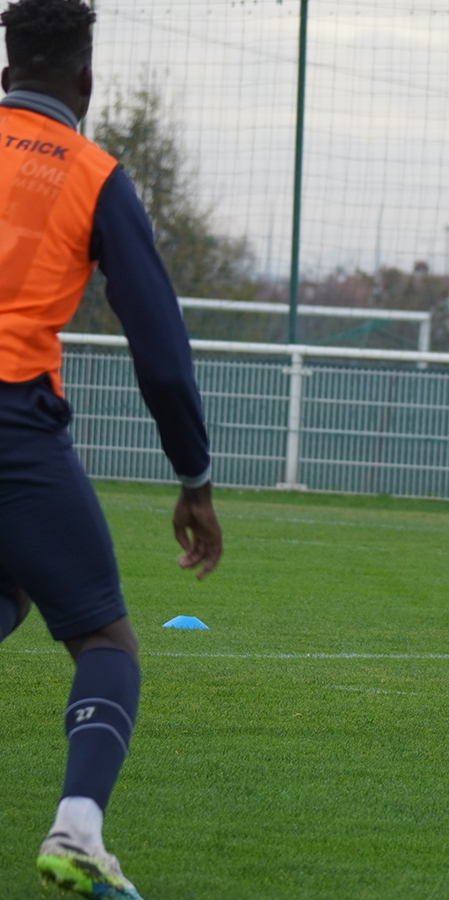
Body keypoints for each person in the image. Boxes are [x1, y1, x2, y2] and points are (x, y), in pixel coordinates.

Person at [0, 1, 223, 896]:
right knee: (105, 638)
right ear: (87, 83)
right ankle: (79, 829)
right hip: (14, 423)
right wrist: (193, 478)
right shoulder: (93, 174)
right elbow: (160, 350)